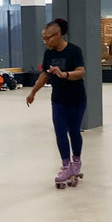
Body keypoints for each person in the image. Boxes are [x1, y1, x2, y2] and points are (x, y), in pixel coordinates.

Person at [26, 19, 86, 188]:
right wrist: (33, 92)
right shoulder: (49, 54)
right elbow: (45, 75)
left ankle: (76, 161)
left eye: (48, 38)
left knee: (74, 131)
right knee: (60, 132)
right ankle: (66, 166)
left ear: (58, 35)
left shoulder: (74, 51)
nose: (46, 41)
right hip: (58, 99)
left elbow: (81, 72)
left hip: (76, 99)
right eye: (43, 38)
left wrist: (64, 74)